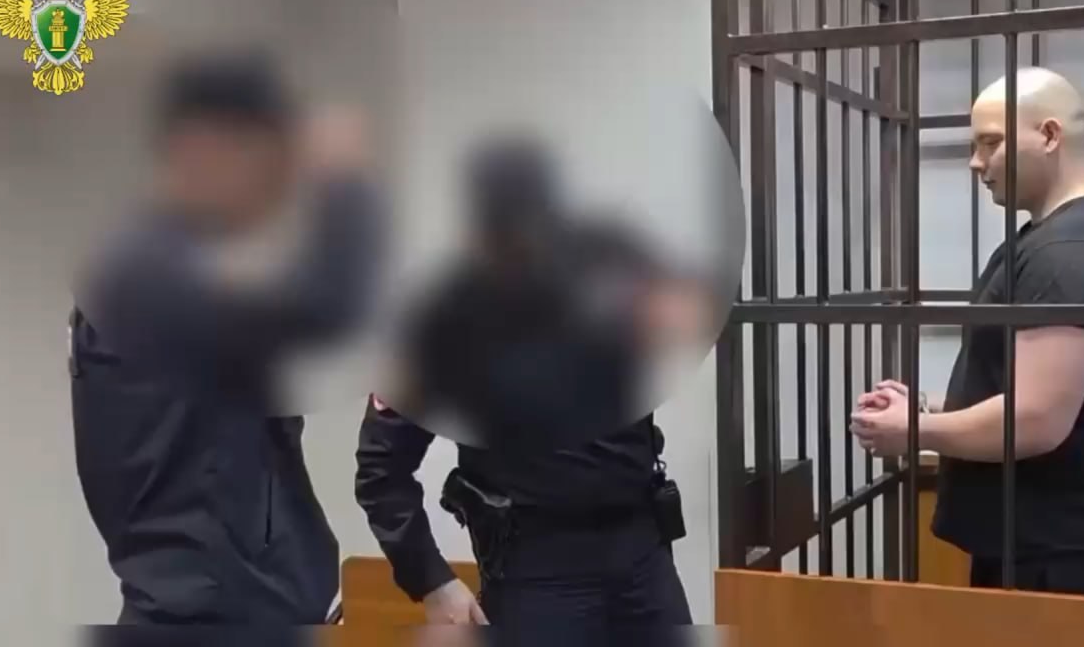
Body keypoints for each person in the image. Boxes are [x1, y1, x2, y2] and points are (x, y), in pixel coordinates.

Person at [70, 50, 383, 624]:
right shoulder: (163, 274)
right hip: (224, 609)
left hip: (204, 600)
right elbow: (329, 306)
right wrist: (344, 185)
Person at [354, 134, 704, 641]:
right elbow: (381, 470)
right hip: (536, 573)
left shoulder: (609, 275)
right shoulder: (445, 316)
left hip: (641, 553)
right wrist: (431, 581)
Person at [850, 67, 1084, 599]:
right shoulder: (1057, 238)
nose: (976, 162)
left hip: (1070, 559)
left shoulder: (1069, 252)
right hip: (1054, 543)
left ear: (1049, 135)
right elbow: (1047, 396)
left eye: (991, 143)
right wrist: (929, 408)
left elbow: (1035, 418)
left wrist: (915, 431)